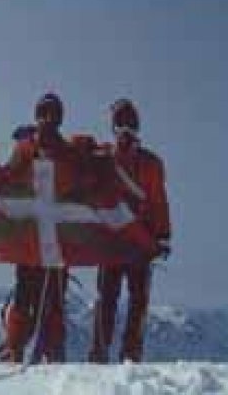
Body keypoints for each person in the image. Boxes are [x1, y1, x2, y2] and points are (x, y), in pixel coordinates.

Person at [89, 98, 172, 363]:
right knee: (108, 300)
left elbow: (158, 199)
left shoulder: (150, 163)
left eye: (129, 122)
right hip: (116, 241)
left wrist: (161, 235)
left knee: (135, 301)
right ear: (113, 127)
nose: (125, 128)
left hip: (137, 241)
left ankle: (129, 354)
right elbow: (78, 152)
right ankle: (101, 354)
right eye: (120, 122)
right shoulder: (102, 157)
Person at [1, 93, 81, 363]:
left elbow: (78, 182)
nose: (48, 119)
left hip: (56, 240)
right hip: (29, 239)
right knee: (25, 294)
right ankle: (15, 349)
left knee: (55, 299)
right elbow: (6, 179)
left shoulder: (67, 152)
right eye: (44, 113)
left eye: (53, 114)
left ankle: (53, 351)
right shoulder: (25, 149)